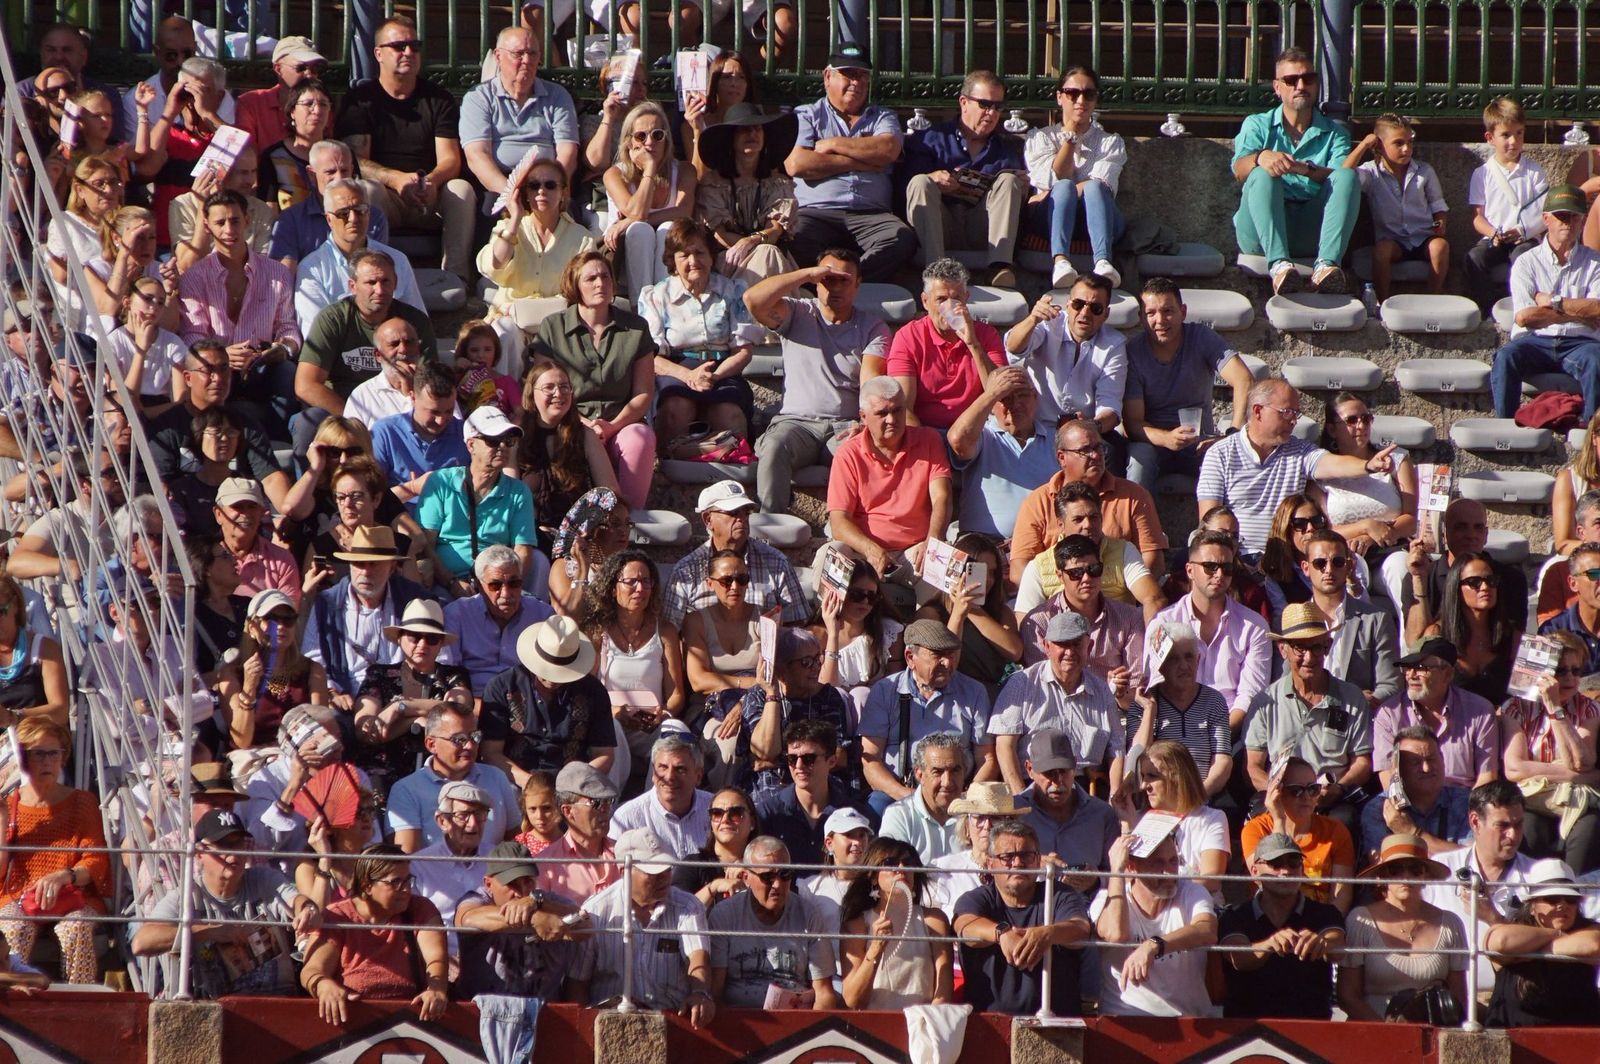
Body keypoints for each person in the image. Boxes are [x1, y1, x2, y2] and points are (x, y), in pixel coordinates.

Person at [334, 15, 476, 282]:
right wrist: (395, 179)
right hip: (387, 197)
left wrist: (431, 181)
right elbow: (357, 161)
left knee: (461, 190)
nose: (409, 52)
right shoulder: (361, 100)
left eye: (415, 45)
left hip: (428, 195)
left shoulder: (438, 99)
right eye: (399, 46)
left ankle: (457, 278)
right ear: (378, 53)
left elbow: (450, 160)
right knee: (366, 190)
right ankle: (373, 275)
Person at [744, 253, 889, 513]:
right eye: (828, 279)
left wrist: (865, 424)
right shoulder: (797, 312)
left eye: (843, 281)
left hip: (845, 425)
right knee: (774, 446)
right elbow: (752, 300)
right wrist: (807, 274)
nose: (835, 287)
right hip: (796, 423)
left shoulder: (873, 328)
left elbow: (871, 381)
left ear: (857, 285)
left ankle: (849, 530)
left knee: (861, 453)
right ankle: (770, 530)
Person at [1197, 378, 1398, 557]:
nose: (1293, 420)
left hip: (1285, 560)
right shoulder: (1221, 453)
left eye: (1296, 413)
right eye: (1286, 412)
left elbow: (1331, 463)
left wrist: (1368, 465)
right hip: (1237, 557)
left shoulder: (1299, 451)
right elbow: (1211, 521)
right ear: (1258, 411)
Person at [131, 808, 320, 998]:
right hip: (218, 1010)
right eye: (223, 846)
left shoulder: (264, 879)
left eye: (238, 844)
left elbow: (295, 899)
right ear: (198, 853)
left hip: (279, 1001)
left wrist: (306, 908)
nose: (233, 854)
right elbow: (141, 942)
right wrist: (210, 931)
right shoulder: (187, 896)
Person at [527, 251, 658, 509]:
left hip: (621, 423)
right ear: (574, 285)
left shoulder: (636, 327)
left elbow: (643, 393)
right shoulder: (552, 327)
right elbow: (544, 389)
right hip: (569, 421)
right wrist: (582, 423)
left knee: (640, 438)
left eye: (605, 276)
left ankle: (626, 520)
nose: (600, 283)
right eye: (591, 278)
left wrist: (612, 426)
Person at [1231, 47, 1358, 294]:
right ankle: (1279, 266)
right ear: (1277, 87)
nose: (1301, 86)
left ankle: (1326, 266)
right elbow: (1239, 170)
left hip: (1310, 228)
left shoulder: (1336, 133)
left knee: (1347, 175)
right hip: (1261, 231)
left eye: (1308, 79)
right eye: (1291, 80)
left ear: (1316, 84)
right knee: (1261, 172)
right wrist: (1261, 157)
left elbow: (1340, 177)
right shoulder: (1257, 124)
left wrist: (1304, 169)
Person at [784, 48, 917, 283]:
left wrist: (832, 144)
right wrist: (862, 160)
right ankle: (836, 286)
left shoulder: (882, 116)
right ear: (827, 76)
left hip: (871, 214)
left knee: (901, 239)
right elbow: (797, 164)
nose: (856, 82)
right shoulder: (806, 114)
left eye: (861, 75)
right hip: (816, 212)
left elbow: (888, 150)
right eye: (848, 74)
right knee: (795, 237)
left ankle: (843, 283)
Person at [177, 191, 301, 436]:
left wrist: (282, 349)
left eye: (234, 221)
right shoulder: (194, 276)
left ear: (247, 220)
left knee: (287, 370)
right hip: (216, 368)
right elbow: (191, 336)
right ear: (207, 225)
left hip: (261, 365)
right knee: (204, 371)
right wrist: (221, 355)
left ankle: (279, 443)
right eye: (220, 223)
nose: (228, 230)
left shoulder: (277, 273)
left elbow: (288, 328)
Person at [0, 718, 111, 986]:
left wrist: (66, 876)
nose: (48, 761)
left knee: (76, 929)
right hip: (22, 895)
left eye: (55, 753)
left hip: (75, 896)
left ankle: (78, 1001)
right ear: (22, 759)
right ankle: (14, 1000)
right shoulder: (8, 803)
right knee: (14, 928)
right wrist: (2, 815)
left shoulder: (82, 801)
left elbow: (96, 859)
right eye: (39, 753)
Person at [1244, 602, 1373, 828]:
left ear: (1328, 646)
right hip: (1281, 795)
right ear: (1282, 649)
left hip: (1332, 797)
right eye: (1299, 648)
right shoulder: (1264, 701)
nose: (1309, 657)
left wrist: (1339, 787)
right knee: (1260, 817)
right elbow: (1253, 767)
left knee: (1347, 819)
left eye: (1316, 647)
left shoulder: (1352, 697)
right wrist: (1278, 793)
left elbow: (1362, 761)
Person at [296, 252, 436, 455]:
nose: (379, 290)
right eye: (371, 282)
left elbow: (430, 381)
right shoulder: (333, 319)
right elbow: (306, 385)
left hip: (400, 404)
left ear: (396, 282)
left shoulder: (414, 322)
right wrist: (356, 418)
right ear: (352, 286)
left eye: (385, 281)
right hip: (343, 407)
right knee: (306, 424)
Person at [1121, 278, 1253, 492]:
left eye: (1168, 311)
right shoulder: (1134, 352)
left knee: (1229, 458)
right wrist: (1167, 438)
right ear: (1141, 319)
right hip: (1153, 443)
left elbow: (1243, 379)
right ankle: (1139, 525)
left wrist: (1233, 434)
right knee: (1139, 459)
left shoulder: (1201, 337)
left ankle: (1217, 525)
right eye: (1151, 313)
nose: (1160, 320)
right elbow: (1133, 424)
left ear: (1183, 311)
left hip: (1198, 441)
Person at [570, 828, 715, 1021]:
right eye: (653, 872)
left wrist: (700, 992)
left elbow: (698, 957)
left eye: (667, 868)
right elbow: (577, 983)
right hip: (609, 1022)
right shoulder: (596, 911)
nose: (664, 876)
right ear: (625, 871)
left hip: (674, 1020)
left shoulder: (688, 906)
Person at [640, 219, 760, 451]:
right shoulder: (656, 296)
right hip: (676, 367)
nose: (693, 261)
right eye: (684, 255)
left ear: (711, 256)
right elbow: (651, 356)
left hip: (723, 368)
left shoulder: (732, 291)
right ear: (672, 261)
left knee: (730, 414)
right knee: (676, 409)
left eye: (699, 252)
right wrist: (688, 376)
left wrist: (714, 376)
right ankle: (667, 474)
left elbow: (743, 351)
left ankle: (734, 471)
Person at [897, 71, 1025, 286]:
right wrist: (932, 178)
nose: (991, 113)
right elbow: (904, 188)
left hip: (982, 227)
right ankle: (937, 274)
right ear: (964, 103)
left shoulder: (1007, 149)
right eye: (984, 104)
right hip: (940, 225)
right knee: (919, 181)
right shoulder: (930, 140)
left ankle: (999, 269)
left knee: (1010, 181)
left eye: (997, 107)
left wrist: (1023, 188)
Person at [299, 844, 450, 1026]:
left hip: (410, 1016)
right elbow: (311, 970)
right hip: (354, 1019)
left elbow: (436, 956)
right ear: (367, 886)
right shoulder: (337, 916)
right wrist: (324, 986)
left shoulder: (420, 909)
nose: (406, 889)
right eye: (395, 882)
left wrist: (437, 989)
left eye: (408, 880)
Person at [1009, 417, 1167, 583]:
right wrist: (1070, 594)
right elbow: (1019, 570)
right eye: (1085, 450)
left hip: (1121, 598)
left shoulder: (1134, 495)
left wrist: (1115, 596)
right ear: (1062, 457)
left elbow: (1153, 560)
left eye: (1098, 447)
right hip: (1055, 601)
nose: (1096, 455)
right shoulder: (1037, 502)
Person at [859, 619, 994, 813]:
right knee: (877, 807)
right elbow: (870, 759)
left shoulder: (974, 692)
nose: (947, 663)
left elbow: (987, 759)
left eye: (951, 655)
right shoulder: (884, 691)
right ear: (910, 657)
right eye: (937, 655)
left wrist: (966, 798)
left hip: (956, 794)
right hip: (899, 793)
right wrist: (907, 795)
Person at [827, 376, 952, 585]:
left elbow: (942, 496)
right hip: (864, 553)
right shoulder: (848, 454)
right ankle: (834, 618)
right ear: (863, 417)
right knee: (830, 555)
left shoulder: (929, 440)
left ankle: (929, 616)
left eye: (897, 411)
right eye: (882, 413)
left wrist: (934, 539)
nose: (892, 419)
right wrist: (871, 550)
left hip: (916, 550)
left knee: (948, 569)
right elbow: (839, 523)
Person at [1491, 184, 1600, 422]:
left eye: (1574, 216)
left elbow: (1598, 310)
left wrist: (1551, 302)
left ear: (1582, 220)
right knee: (1505, 356)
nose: (1567, 222)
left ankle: (1593, 432)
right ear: (1546, 219)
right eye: (1561, 216)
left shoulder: (1595, 262)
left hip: (1580, 343)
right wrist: (1579, 312)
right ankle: (1505, 427)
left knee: (1596, 360)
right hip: (1536, 340)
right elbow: (1524, 317)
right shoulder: (1526, 262)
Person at [1091, 815, 1219, 1016]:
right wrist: (1117, 870)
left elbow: (1207, 930)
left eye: (1173, 861)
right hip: (1125, 1021)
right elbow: (1116, 935)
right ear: (1132, 866)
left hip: (1188, 1022)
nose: (1169, 872)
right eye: (1158, 863)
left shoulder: (1190, 891)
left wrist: (1154, 946)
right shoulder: (1106, 898)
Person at [989, 611, 1126, 795]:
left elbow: (1116, 748)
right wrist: (1021, 800)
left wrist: (1115, 796)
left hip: (1087, 789)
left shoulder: (1102, 691)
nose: (1069, 652)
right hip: (1034, 786)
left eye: (1076, 644)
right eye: (1062, 644)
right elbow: (1004, 746)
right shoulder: (1022, 683)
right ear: (1046, 646)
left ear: (1089, 646)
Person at [1338, 834, 1468, 1022]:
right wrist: (1389, 1034)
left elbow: (1458, 999)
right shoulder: (1360, 920)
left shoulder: (1450, 923)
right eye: (1396, 870)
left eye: (1414, 869)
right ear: (1381, 877)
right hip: (1371, 1034)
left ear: (1426, 875)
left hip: (1432, 1035)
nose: (1405, 877)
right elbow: (1348, 996)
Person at [1215, 832, 1346, 1019]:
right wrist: (1269, 945)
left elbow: (1337, 946)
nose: (1285, 871)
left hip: (1311, 1026)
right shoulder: (1234, 915)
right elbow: (1238, 957)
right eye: (1275, 864)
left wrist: (1321, 943)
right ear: (1254, 871)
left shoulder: (1325, 913)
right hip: (1247, 1030)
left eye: (1293, 864)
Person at [349, 599, 473, 795]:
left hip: (437, 774)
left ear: (440, 644)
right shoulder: (378, 674)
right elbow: (367, 731)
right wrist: (412, 721)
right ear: (399, 638)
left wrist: (403, 707)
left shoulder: (453, 676)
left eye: (432, 638)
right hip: (382, 774)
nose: (422, 644)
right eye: (414, 636)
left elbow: (458, 709)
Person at [1425, 781, 1539, 994]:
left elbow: (1542, 948)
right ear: (1475, 822)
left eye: (1518, 825)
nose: (1513, 835)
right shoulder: (1441, 870)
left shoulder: (1538, 875)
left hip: (1516, 999)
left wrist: (1492, 918)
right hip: (1448, 1000)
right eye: (1503, 826)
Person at [1500, 630, 1600, 872]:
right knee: (1529, 828)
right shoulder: (1516, 708)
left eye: (1576, 671)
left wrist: (1555, 709)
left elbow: (1582, 760)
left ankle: (1578, 900)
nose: (1570, 679)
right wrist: (1578, 776)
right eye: (1561, 671)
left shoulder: (1589, 709)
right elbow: (1514, 769)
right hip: (1533, 799)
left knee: (1589, 828)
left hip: (1576, 800)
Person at [707, 835, 841, 1009]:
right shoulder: (724, 915)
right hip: (739, 1022)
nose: (778, 884)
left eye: (785, 874)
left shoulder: (808, 915)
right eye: (768, 877)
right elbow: (714, 991)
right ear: (746, 877)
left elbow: (824, 993)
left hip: (797, 1023)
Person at [300, 524, 426, 708]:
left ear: (392, 567)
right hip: (344, 701)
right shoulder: (327, 603)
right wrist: (332, 693)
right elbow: (314, 663)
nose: (365, 572)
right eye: (359, 564)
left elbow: (438, 660)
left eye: (374, 564)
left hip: (402, 702)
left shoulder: (414, 601)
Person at [1024, 65, 1128, 289]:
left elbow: (1103, 185)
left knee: (1091, 189)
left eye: (1088, 94)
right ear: (1060, 97)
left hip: (1100, 219)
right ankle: (1061, 261)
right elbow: (1050, 180)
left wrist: (1052, 192)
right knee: (1063, 188)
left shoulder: (1110, 142)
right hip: (1053, 219)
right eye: (1072, 93)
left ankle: (1102, 261)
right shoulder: (1039, 138)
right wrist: (1069, 141)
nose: (1080, 100)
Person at [1146, 533, 1267, 723]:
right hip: (1175, 731)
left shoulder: (1255, 626)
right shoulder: (1163, 624)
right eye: (1210, 567)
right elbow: (1156, 686)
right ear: (1190, 570)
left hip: (1233, 732)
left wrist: (1219, 739)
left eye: (1227, 568)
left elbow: (1249, 696)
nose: (1219, 575)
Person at [415, 405, 537, 593]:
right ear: (471, 445)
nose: (503, 447)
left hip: (499, 587)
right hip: (444, 586)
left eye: (509, 441)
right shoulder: (440, 483)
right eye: (494, 441)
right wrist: (451, 583)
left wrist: (505, 587)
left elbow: (523, 550)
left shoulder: (518, 493)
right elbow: (425, 545)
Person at [481, 614, 615, 784]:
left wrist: (572, 785)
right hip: (515, 781)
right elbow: (491, 753)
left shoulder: (593, 691)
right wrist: (531, 784)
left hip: (574, 784)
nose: (552, 679)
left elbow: (604, 754)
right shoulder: (502, 686)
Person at [587, 549, 687, 777]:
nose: (640, 589)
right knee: (610, 730)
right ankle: (609, 805)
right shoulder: (597, 632)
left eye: (645, 581)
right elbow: (587, 691)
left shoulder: (665, 631)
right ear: (613, 588)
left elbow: (676, 694)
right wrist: (614, 712)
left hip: (652, 724)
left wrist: (664, 713)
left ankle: (660, 803)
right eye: (631, 582)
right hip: (611, 721)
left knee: (677, 730)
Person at [1313, 392, 1419, 605]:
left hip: (1389, 550)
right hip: (1346, 554)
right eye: (1351, 420)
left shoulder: (1397, 460)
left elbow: (1410, 519)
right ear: (1332, 429)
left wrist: (1375, 537)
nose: (1361, 425)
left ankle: (1409, 638)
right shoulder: (1320, 471)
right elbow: (1322, 531)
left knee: (1401, 570)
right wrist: (1367, 526)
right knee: (1353, 570)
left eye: (1366, 418)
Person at [478, 158, 595, 345]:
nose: (541, 191)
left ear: (563, 192)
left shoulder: (582, 238)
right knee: (504, 332)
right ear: (525, 192)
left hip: (557, 319)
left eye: (550, 185)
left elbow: (578, 293)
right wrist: (515, 218)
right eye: (533, 186)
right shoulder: (508, 227)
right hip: (511, 318)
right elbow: (495, 265)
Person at [452, 840, 587, 1002]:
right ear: (488, 883)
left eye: (527, 882)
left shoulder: (543, 900)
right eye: (512, 884)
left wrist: (539, 904)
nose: (521, 892)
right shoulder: (476, 899)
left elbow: (586, 924)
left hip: (546, 1012)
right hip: (479, 1013)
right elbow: (467, 918)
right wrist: (535, 918)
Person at [883, 258, 1007, 431]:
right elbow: (903, 408)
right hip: (925, 432)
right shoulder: (908, 337)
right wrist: (927, 445)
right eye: (941, 299)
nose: (949, 306)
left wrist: (974, 345)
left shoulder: (986, 335)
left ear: (966, 299)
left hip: (975, 432)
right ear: (925, 302)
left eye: (956, 298)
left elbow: (1000, 395)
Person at [662, 480, 808, 627]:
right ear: (708, 519)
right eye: (732, 513)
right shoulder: (686, 571)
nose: (742, 518)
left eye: (746, 512)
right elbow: (670, 633)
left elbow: (796, 625)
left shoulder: (776, 563)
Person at [294, 180, 425, 336]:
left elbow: (418, 323)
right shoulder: (312, 269)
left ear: (369, 213)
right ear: (329, 219)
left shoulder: (397, 260)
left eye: (360, 210)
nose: (353, 219)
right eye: (343, 213)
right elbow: (316, 335)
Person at [462, 27, 580, 201]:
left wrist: (551, 187)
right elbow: (478, 156)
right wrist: (510, 194)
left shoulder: (557, 95)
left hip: (546, 184)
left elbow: (567, 152)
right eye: (518, 54)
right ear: (498, 56)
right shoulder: (478, 97)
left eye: (532, 53)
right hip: (498, 186)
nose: (527, 60)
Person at [1341, 112, 1450, 301]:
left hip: (1423, 237)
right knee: (1381, 251)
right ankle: (1382, 302)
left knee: (1440, 246)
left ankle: (1435, 298)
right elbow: (1344, 177)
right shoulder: (1371, 173)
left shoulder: (1424, 171)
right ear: (1380, 146)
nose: (1406, 149)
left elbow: (1437, 204)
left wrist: (1440, 222)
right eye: (1398, 143)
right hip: (1393, 240)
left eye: (1410, 142)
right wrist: (1364, 145)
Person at [518, 357, 620, 556]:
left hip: (578, 538)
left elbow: (610, 491)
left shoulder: (585, 436)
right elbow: (509, 494)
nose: (559, 393)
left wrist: (576, 530)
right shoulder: (517, 437)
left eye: (565, 387)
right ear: (532, 394)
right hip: (529, 537)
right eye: (549, 387)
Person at [386, 703, 523, 852]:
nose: (470, 746)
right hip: (433, 875)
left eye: (474, 737)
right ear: (431, 744)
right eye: (459, 739)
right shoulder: (407, 790)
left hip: (491, 873)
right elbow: (408, 857)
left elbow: (515, 843)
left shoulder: (496, 778)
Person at [1017, 530, 1148, 684]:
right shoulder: (1039, 622)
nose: (1087, 578)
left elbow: (1136, 685)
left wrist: (1119, 694)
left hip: (1115, 705)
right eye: (1076, 573)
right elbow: (1039, 683)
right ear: (1060, 576)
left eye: (1094, 570)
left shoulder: (1130, 618)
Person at [837, 837, 954, 1008]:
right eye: (890, 862)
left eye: (908, 862)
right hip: (873, 1025)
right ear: (873, 877)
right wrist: (876, 948)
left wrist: (927, 1025)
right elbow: (853, 1001)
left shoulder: (934, 921)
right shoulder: (857, 925)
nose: (901, 868)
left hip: (922, 1025)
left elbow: (943, 991)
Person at [1005, 273, 1127, 436]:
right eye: (1078, 304)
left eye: (1095, 308)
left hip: (1083, 432)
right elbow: (1013, 347)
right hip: (1035, 426)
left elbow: (1110, 406)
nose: (1085, 313)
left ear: (1106, 314)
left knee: (1112, 449)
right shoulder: (1049, 323)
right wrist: (1033, 319)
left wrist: (1089, 427)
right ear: (1068, 305)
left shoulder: (1114, 344)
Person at [1485, 858, 1600, 1027]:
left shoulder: (1590, 929)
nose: (1562, 906)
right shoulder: (1512, 929)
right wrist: (1558, 935)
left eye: (1570, 899)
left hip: (1576, 1041)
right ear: (1532, 906)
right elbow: (1501, 942)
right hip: (1515, 1042)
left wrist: (1528, 950)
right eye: (1552, 899)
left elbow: (1593, 944)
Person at [1374, 638, 1500, 792]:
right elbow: (1388, 774)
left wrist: (1470, 812)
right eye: (1408, 667)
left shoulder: (1480, 711)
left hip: (1462, 801)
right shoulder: (1390, 713)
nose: (1411, 675)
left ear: (1447, 674)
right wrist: (1404, 811)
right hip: (1411, 799)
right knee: (1373, 811)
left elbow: (1486, 777)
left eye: (1421, 668)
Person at [946, 366, 1056, 540]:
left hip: (1042, 544)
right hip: (985, 546)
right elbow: (958, 440)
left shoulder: (1055, 439)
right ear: (990, 404)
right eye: (1004, 397)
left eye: (1022, 395)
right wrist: (991, 393)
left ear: (1035, 397)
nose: (1016, 404)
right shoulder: (982, 436)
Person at [694, 104, 798, 285]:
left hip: (769, 254)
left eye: (757, 129)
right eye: (744, 130)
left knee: (769, 254)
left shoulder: (777, 183)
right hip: (729, 259)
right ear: (731, 139)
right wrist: (747, 246)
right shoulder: (713, 184)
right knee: (767, 254)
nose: (752, 134)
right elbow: (720, 235)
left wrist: (751, 242)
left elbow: (775, 230)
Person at [603, 101, 697, 299]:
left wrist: (627, 221)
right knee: (640, 230)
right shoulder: (614, 174)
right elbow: (637, 212)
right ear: (629, 142)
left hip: (670, 252)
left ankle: (666, 303)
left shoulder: (684, 170)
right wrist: (650, 169)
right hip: (625, 256)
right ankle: (641, 309)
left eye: (657, 135)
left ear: (666, 139)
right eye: (641, 136)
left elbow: (684, 211)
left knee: (667, 229)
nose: (649, 142)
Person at [741, 632, 856, 793]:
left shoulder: (828, 696)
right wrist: (772, 695)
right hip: (771, 785)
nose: (817, 667)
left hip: (818, 783)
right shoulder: (757, 696)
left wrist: (782, 761)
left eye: (818, 659)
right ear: (781, 668)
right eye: (806, 662)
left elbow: (838, 756)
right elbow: (766, 751)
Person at [1241, 756, 1358, 914]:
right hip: (1271, 919)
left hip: (1320, 923)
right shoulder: (1256, 829)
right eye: (1296, 790)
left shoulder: (1336, 831)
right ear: (1276, 792)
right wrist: (1279, 820)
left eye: (1313, 789)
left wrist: (1327, 927)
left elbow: (1341, 896)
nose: (1307, 797)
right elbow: (1268, 884)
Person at [1127, 621, 1232, 796]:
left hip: (1203, 797)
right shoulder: (1142, 705)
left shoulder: (1214, 701)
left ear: (1198, 659)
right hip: (1156, 800)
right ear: (1160, 666)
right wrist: (1149, 711)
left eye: (1189, 656)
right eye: (1174, 659)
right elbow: (1136, 761)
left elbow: (1222, 761)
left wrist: (1198, 797)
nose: (1184, 666)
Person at [1112, 741, 1230, 896]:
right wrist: (1127, 823)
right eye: (1143, 777)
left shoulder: (1210, 819)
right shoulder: (1139, 819)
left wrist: (1164, 889)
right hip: (1148, 911)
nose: (1144, 786)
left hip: (1196, 907)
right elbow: (1128, 880)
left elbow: (1211, 881)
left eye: (1152, 776)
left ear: (1177, 777)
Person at [216, 588, 328, 750]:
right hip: (254, 758)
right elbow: (242, 741)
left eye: (288, 620)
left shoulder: (312, 670)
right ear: (252, 627)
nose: (281, 626)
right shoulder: (232, 673)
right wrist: (249, 688)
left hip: (301, 753)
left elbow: (321, 729)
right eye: (271, 619)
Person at [437, 545, 555, 697]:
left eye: (514, 584)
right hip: (475, 702)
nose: (506, 594)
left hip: (528, 702)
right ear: (479, 585)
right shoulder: (456, 615)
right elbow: (448, 670)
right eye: (495, 585)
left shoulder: (542, 615)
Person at [1299, 528, 1399, 707]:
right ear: (1306, 568)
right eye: (1320, 563)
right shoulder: (1295, 621)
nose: (1328, 570)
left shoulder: (1376, 620)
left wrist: (1357, 702)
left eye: (1337, 562)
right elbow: (1284, 684)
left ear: (1349, 566)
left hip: (1358, 722)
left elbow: (1391, 685)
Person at [1466, 96, 1548, 312]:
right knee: (1475, 258)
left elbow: (1544, 212)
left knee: (1524, 257)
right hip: (1494, 239)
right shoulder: (1482, 174)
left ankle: (1523, 307)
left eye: (1519, 133)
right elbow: (1477, 217)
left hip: (1525, 237)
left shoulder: (1534, 172)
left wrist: (1523, 230)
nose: (1513, 141)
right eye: (1506, 135)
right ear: (1490, 137)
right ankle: (1488, 307)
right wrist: (1493, 233)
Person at [270, 139, 393, 270]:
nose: (339, 178)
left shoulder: (373, 217)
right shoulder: (291, 220)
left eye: (344, 171)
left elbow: (377, 272)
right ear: (311, 174)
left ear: (352, 170)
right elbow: (283, 278)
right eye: (330, 172)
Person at [753, 721, 863, 866]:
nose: (798, 766)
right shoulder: (768, 813)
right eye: (792, 759)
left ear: (831, 761)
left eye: (808, 759)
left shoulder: (854, 814)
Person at [1421, 552, 1521, 705]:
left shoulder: (1512, 635)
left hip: (1504, 723)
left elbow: (1524, 697)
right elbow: (1427, 695)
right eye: (1474, 582)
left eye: (1491, 580)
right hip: (1453, 723)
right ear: (1456, 587)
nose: (1485, 587)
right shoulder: (1436, 634)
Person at [1360, 726, 1472, 863]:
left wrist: (1411, 831)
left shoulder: (1466, 802)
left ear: (1442, 760)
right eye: (1416, 763)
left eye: (1431, 759)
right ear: (1397, 768)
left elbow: (1472, 860)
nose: (1426, 768)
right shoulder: (1379, 808)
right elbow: (1384, 869)